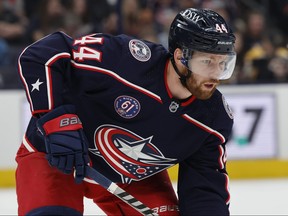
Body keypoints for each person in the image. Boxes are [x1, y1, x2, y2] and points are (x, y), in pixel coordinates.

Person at [16, 7, 236, 215]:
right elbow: (43, 54)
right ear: (180, 56)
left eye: (223, 63)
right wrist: (56, 120)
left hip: (131, 176)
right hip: (54, 156)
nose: (216, 74)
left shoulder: (213, 118)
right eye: (207, 61)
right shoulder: (126, 60)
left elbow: (205, 189)